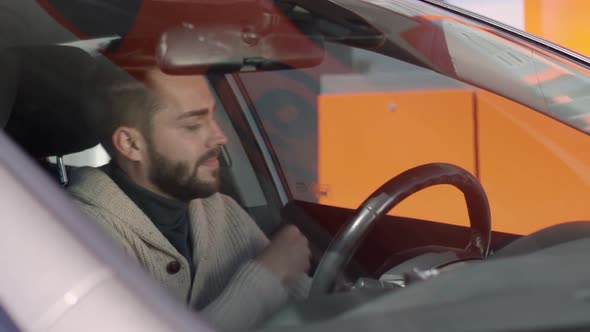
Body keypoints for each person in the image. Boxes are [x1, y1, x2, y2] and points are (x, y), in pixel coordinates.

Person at [67, 66, 311, 330]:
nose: (220, 136)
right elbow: (276, 275)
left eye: (213, 116)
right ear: (131, 144)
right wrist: (267, 277)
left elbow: (313, 304)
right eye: (193, 125)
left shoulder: (221, 210)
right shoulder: (79, 236)